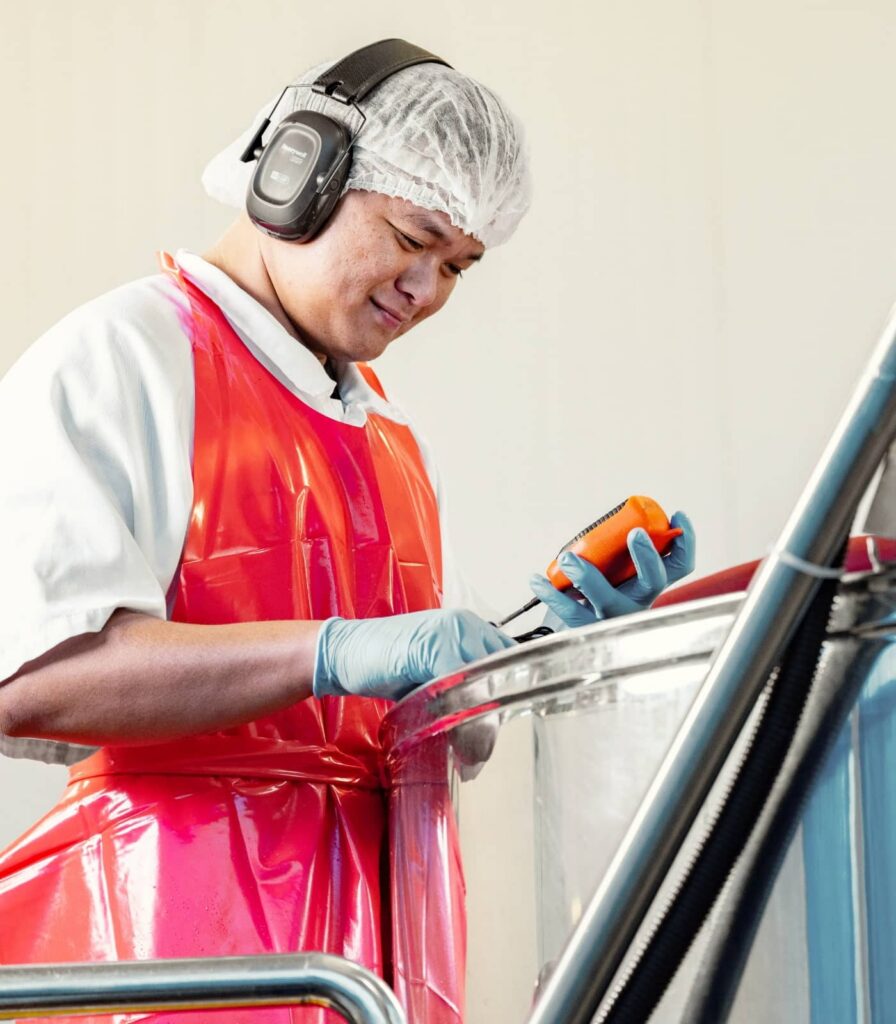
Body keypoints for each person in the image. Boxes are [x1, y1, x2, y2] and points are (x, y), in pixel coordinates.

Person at [0, 40, 695, 1023]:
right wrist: (332, 652)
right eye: (412, 237)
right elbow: (30, 680)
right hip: (171, 957)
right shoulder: (126, 358)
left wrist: (542, 649)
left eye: (457, 267)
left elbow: (438, 737)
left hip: (375, 973)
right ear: (299, 175)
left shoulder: (392, 438)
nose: (427, 289)